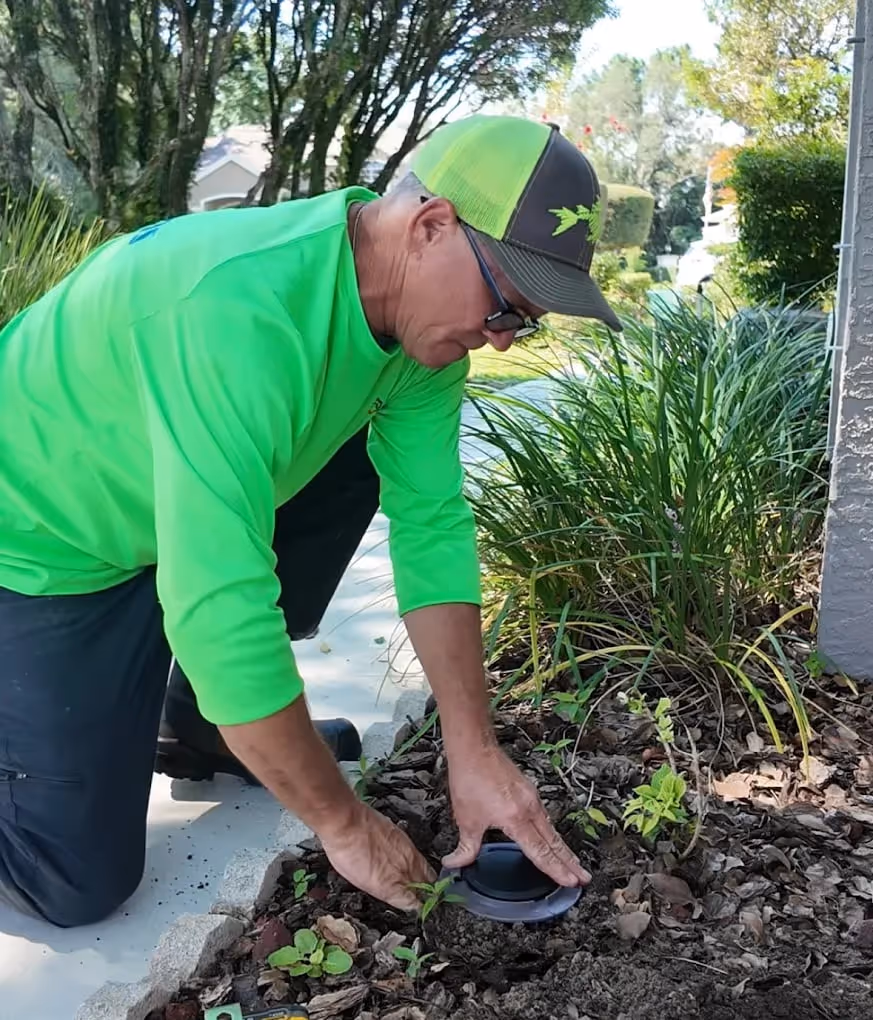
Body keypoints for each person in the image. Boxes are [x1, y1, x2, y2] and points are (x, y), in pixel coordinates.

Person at [0, 114, 620, 928]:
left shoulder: (418, 340)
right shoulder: (231, 310)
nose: (503, 340)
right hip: (42, 547)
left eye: (525, 323)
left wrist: (476, 750)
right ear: (431, 225)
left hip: (164, 515)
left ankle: (202, 726)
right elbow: (219, 610)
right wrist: (344, 824)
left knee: (355, 460)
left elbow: (431, 523)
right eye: (505, 306)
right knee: (73, 883)